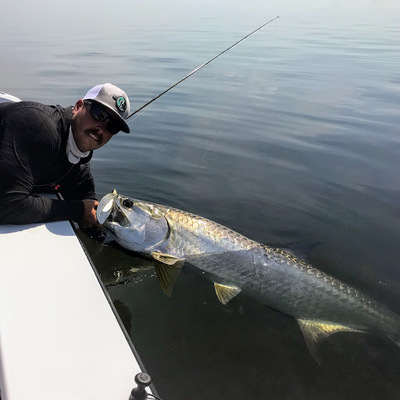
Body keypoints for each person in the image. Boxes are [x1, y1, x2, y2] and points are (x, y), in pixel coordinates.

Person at [0, 83, 131, 227]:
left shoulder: (79, 164)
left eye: (113, 126)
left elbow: (90, 206)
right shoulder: (37, 127)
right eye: (99, 114)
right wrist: (79, 211)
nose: (101, 128)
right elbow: (6, 204)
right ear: (78, 107)